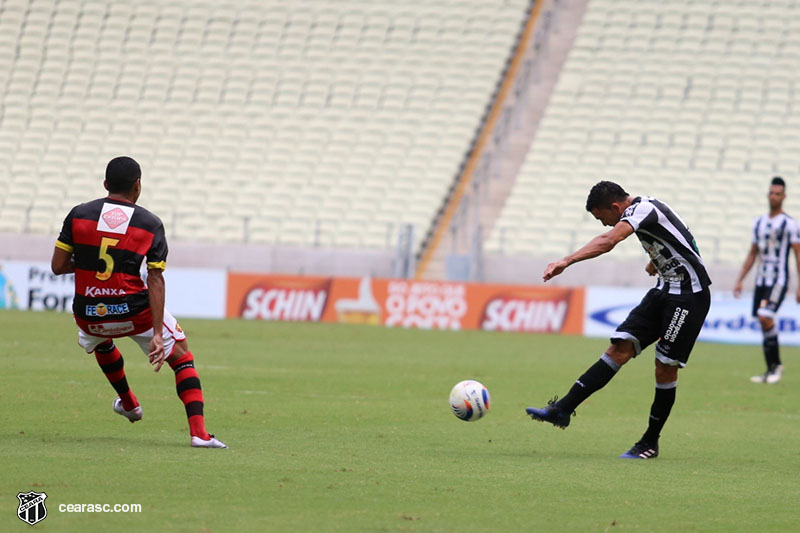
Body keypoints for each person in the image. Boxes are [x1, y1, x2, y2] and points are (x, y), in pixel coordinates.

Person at [526, 181, 711, 459]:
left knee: (664, 368)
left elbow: (608, 241)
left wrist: (567, 260)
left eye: (602, 218)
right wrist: (657, 258)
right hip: (664, 290)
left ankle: (650, 442)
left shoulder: (642, 210)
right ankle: (562, 409)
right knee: (619, 349)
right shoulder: (649, 207)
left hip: (689, 296)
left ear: (615, 207)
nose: (604, 224)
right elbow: (682, 236)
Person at [51, 156, 226, 448]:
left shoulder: (79, 214)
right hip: (134, 312)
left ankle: (130, 404)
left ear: (105, 184)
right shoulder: (149, 223)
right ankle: (199, 434)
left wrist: (89, 264)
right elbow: (155, 278)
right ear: (138, 185)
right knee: (182, 357)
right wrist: (157, 333)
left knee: (101, 341)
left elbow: (58, 266)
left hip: (90, 314)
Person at [733, 176, 800, 384]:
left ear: (784, 196)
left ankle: (776, 366)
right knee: (763, 322)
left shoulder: (790, 224)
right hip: (761, 281)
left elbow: (798, 254)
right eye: (771, 193)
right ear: (767, 195)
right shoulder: (759, 223)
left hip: (779, 280)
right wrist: (740, 279)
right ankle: (770, 369)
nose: (774, 197)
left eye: (778, 194)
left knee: (765, 316)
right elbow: (753, 253)